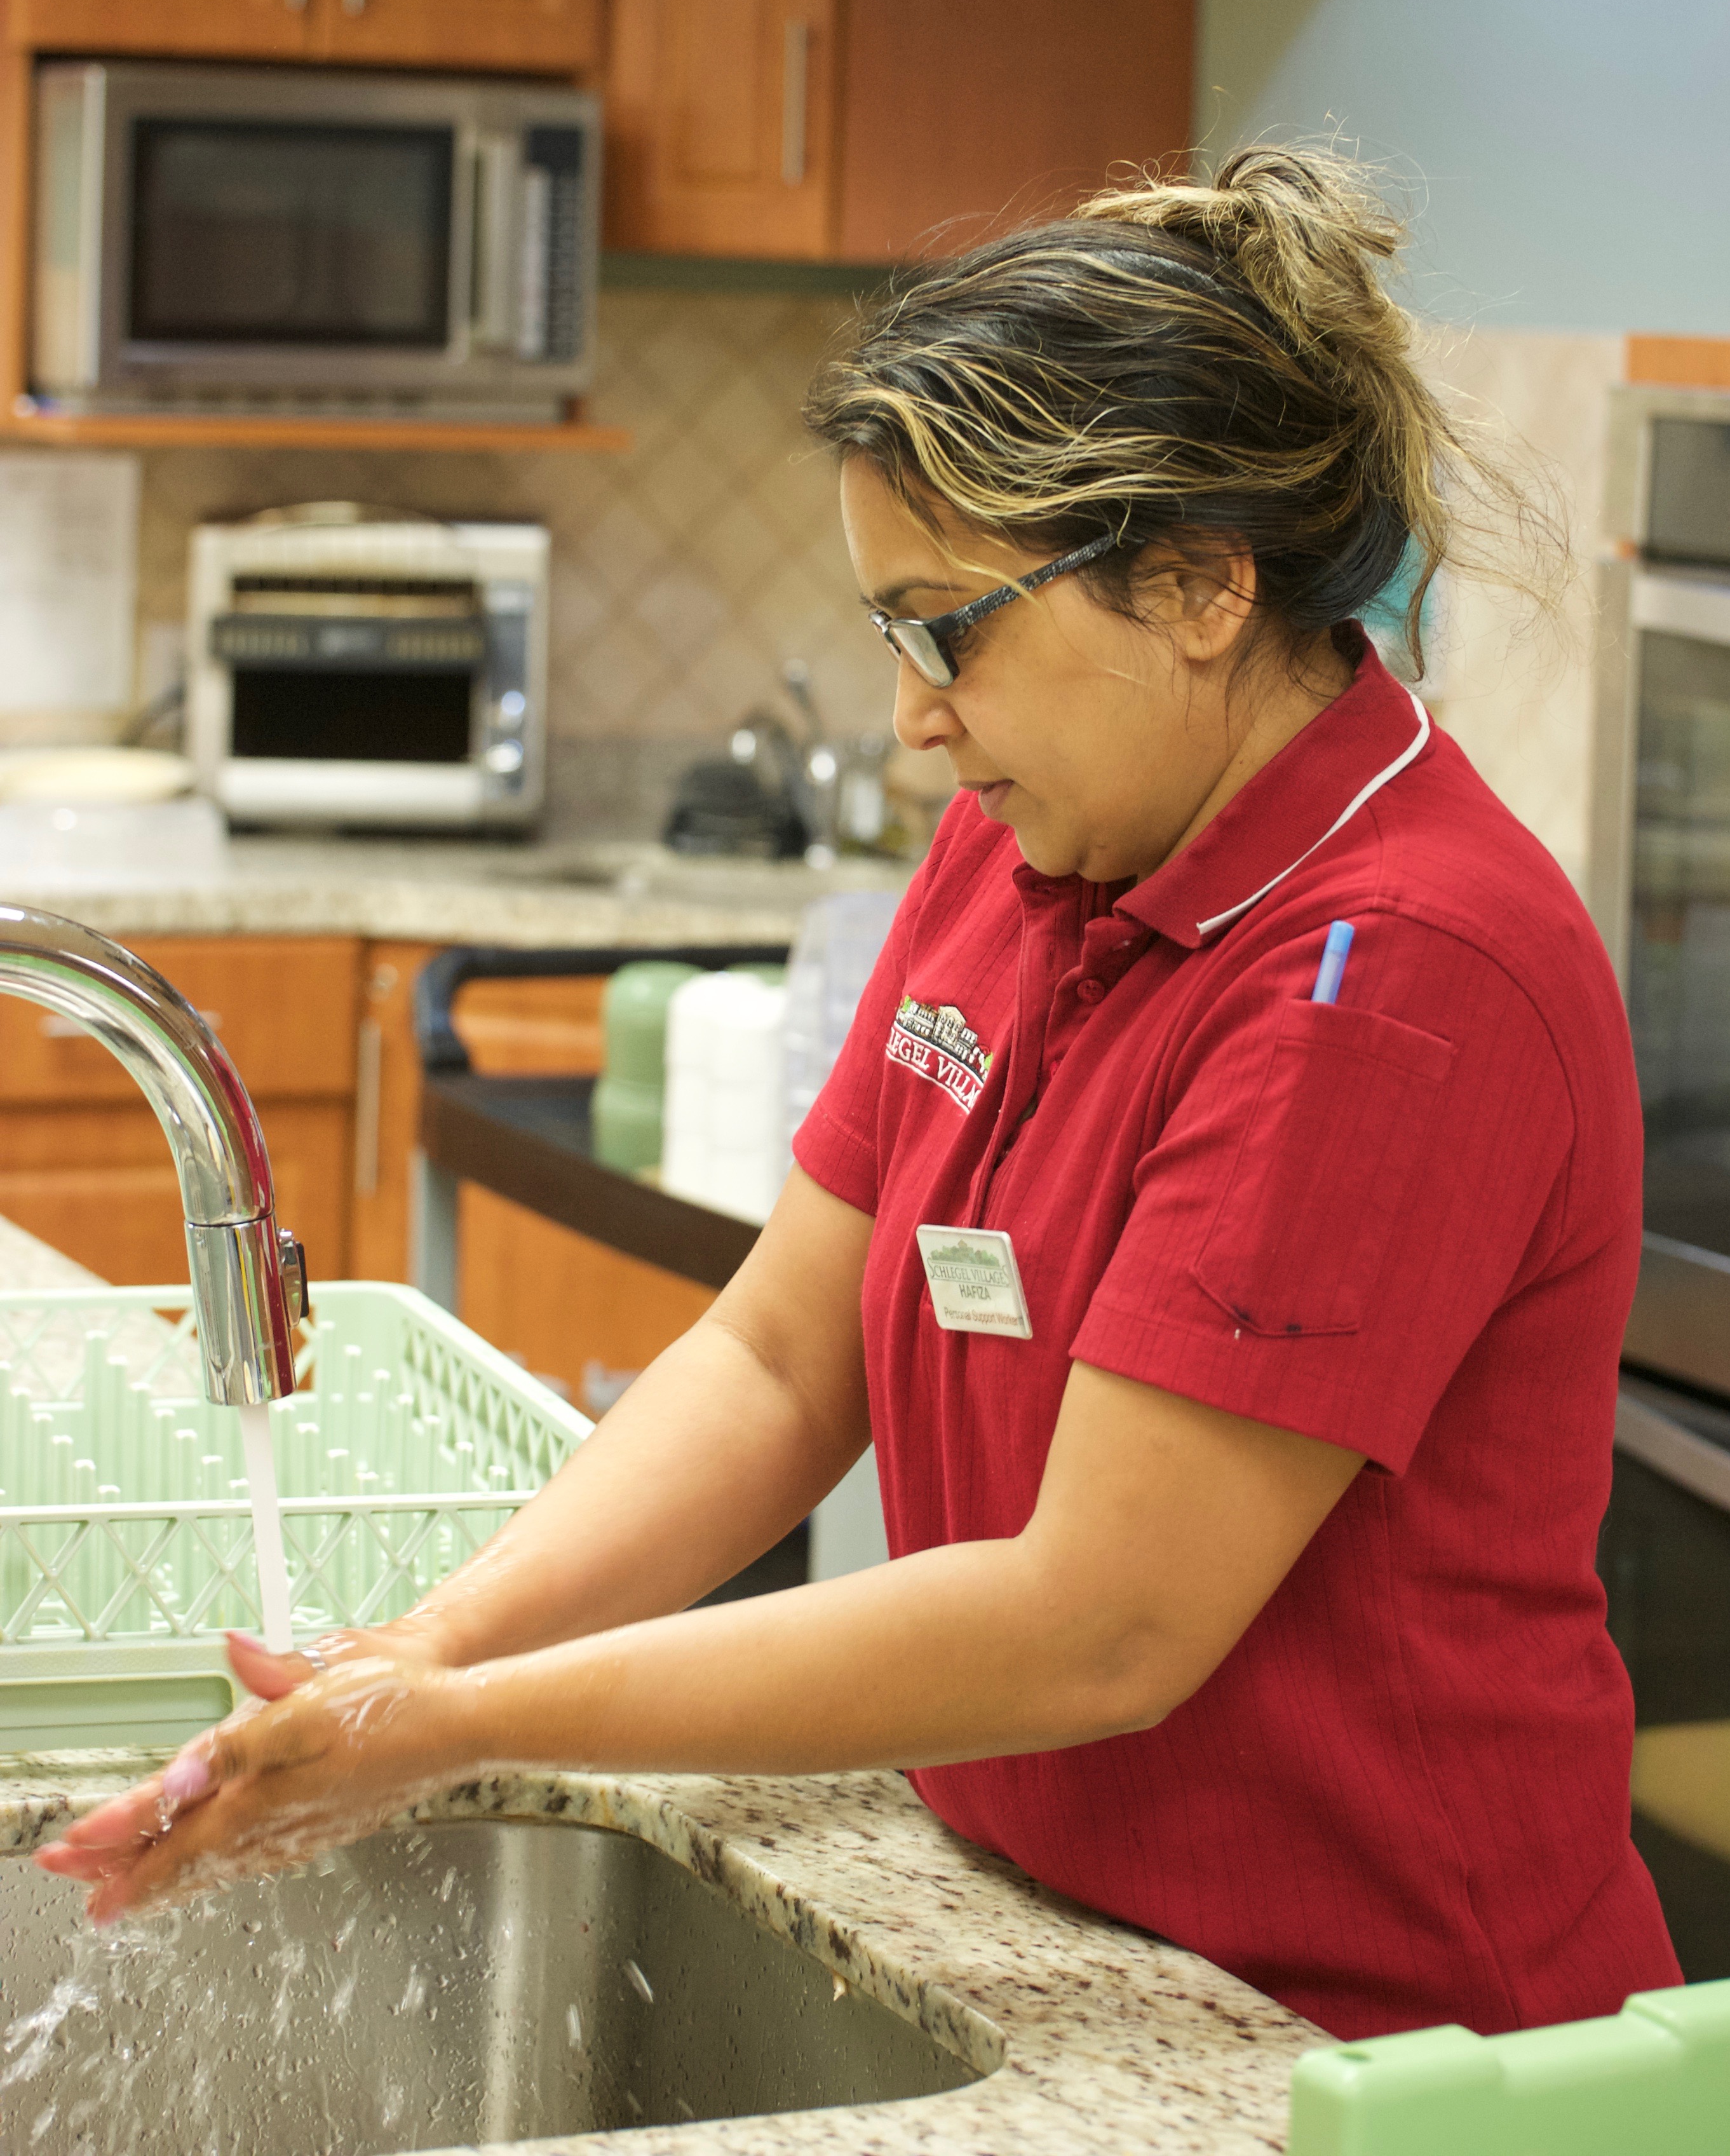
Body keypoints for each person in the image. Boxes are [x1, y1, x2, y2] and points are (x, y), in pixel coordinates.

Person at [39, 147, 1681, 2042]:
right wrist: (421, 1648)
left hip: (1377, 2038)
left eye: (946, 626)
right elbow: (779, 1360)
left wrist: (458, 1722)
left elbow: (1102, 1617)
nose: (912, 714)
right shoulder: (1030, 844)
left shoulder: (1390, 974)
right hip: (1068, 1938)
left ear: (1201, 583)